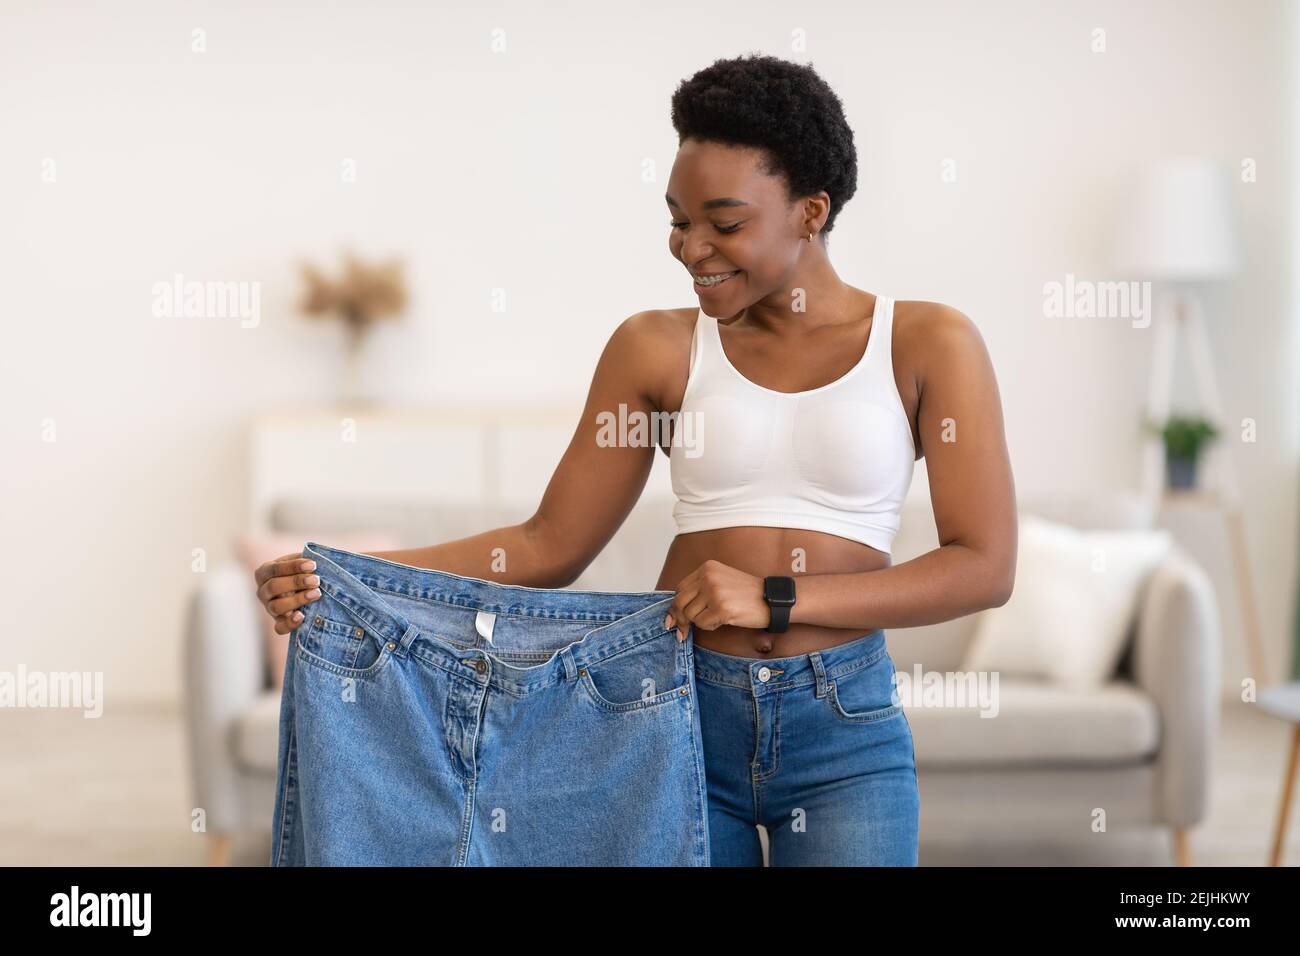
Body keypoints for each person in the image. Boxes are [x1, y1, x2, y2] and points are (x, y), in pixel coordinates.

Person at [253, 53, 1017, 866]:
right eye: (678, 219)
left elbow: (985, 565)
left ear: (810, 211)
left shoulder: (929, 342)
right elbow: (550, 544)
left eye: (724, 224)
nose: (692, 248)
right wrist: (349, 573)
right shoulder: (653, 348)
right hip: (669, 710)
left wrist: (776, 598)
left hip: (846, 730)